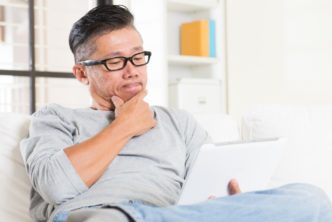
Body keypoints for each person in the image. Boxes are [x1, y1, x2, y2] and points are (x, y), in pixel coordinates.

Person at [20, 5, 332, 222]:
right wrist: (125, 125)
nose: (132, 71)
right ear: (81, 73)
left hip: (175, 215)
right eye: (115, 62)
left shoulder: (178, 122)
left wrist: (230, 200)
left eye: (138, 57)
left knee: (310, 198)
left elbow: (209, 186)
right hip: (106, 214)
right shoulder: (54, 118)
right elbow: (54, 185)